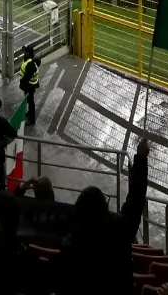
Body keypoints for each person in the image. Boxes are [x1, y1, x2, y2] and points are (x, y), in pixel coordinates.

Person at [56, 137, 149, 295]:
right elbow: (136, 200)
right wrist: (140, 159)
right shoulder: (120, 229)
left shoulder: (70, 245)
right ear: (104, 208)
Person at [17, 43, 40, 129]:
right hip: (30, 85)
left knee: (31, 101)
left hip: (29, 86)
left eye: (25, 51)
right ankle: (30, 113)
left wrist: (22, 84)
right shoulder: (28, 59)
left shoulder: (30, 63)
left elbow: (27, 77)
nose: (24, 52)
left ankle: (32, 119)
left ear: (28, 53)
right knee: (29, 100)